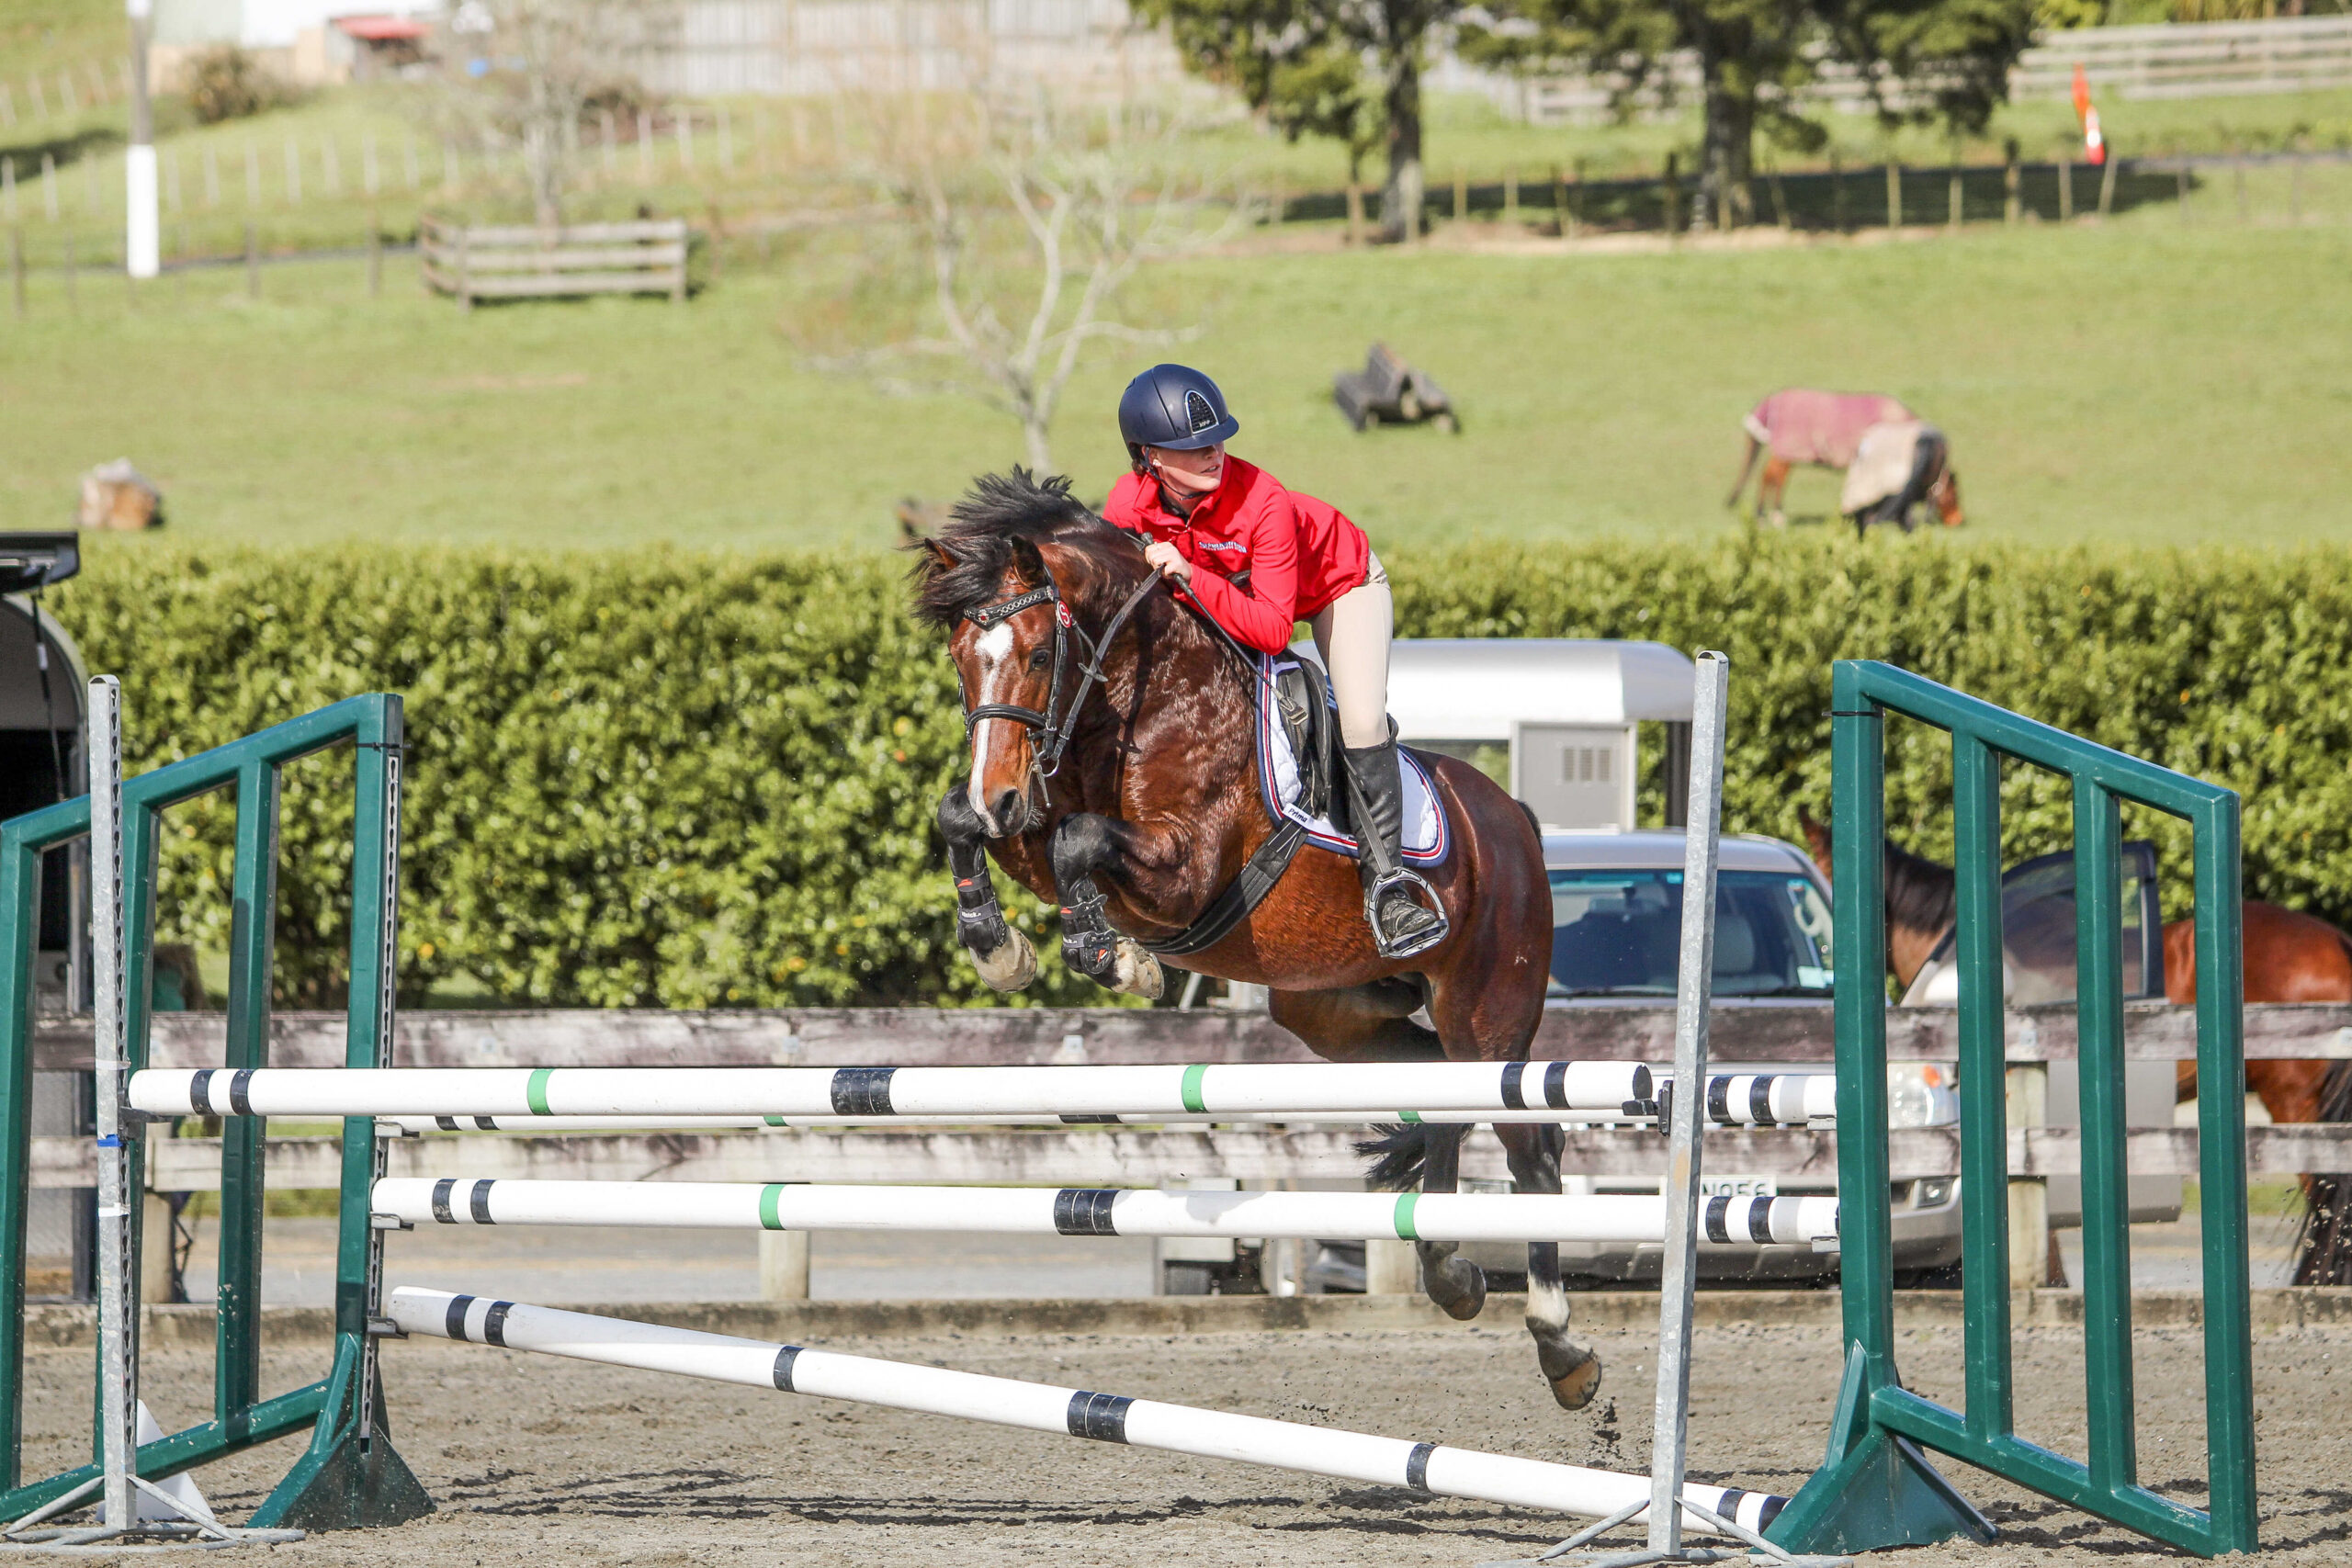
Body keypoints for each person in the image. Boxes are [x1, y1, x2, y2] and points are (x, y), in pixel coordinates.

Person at [1103, 363, 1446, 958]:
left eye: (1217, 439)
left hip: (1341, 586)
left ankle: (1390, 885)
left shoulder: (1264, 502)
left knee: (1360, 720)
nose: (1214, 453)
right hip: (1229, 605)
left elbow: (1269, 629)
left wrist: (1189, 572)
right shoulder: (1126, 503)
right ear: (1150, 456)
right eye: (1194, 447)